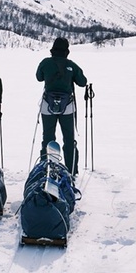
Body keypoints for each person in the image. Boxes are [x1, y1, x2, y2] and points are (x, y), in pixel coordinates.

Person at [36, 37, 88, 175]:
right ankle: (71, 170)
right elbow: (82, 82)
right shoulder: (72, 65)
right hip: (68, 106)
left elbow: (39, 77)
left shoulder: (45, 63)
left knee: (48, 137)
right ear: (67, 51)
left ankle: (45, 168)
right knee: (69, 139)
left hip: (48, 104)